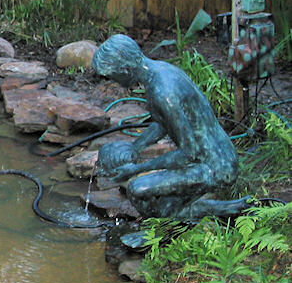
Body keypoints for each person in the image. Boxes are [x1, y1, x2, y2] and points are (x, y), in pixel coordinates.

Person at [92, 34, 250, 220]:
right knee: (166, 205)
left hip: (215, 167)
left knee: (138, 190)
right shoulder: (161, 71)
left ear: (125, 69)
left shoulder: (162, 92)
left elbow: (188, 153)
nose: (113, 81)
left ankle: (166, 230)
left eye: (112, 75)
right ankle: (231, 208)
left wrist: (136, 169)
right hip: (217, 157)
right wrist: (136, 147)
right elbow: (163, 124)